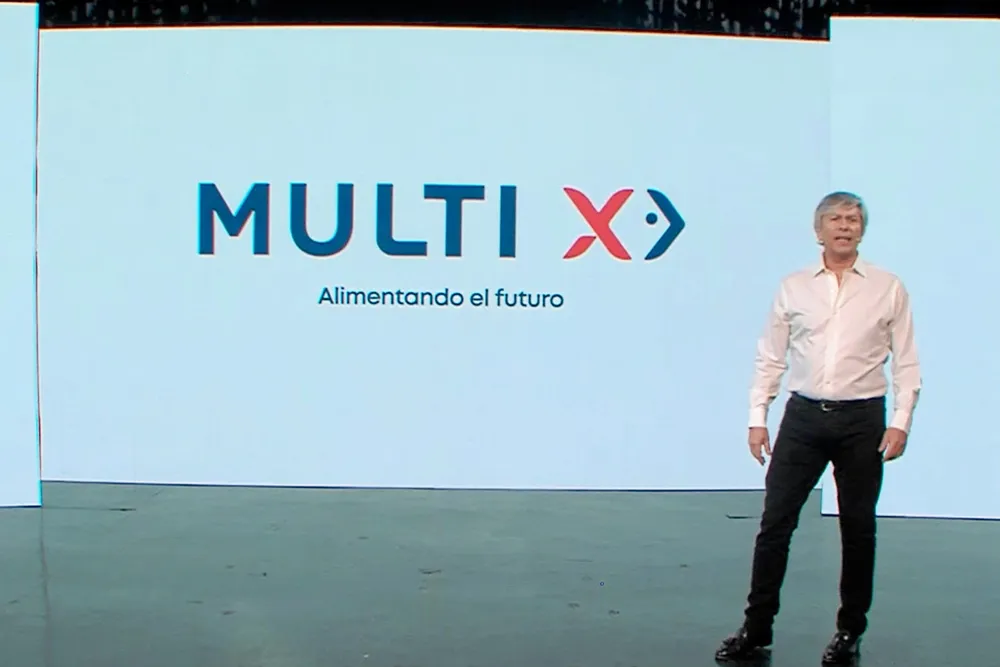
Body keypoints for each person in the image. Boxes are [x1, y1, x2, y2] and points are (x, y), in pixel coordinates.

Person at [714, 191, 922, 665]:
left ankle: (850, 632)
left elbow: (907, 362)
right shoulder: (793, 288)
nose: (844, 226)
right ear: (818, 230)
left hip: (862, 420)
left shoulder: (888, 287)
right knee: (775, 524)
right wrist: (757, 418)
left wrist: (901, 422)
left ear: (861, 231)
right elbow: (771, 356)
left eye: (853, 219)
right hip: (803, 418)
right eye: (835, 219)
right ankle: (756, 628)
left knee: (858, 528)